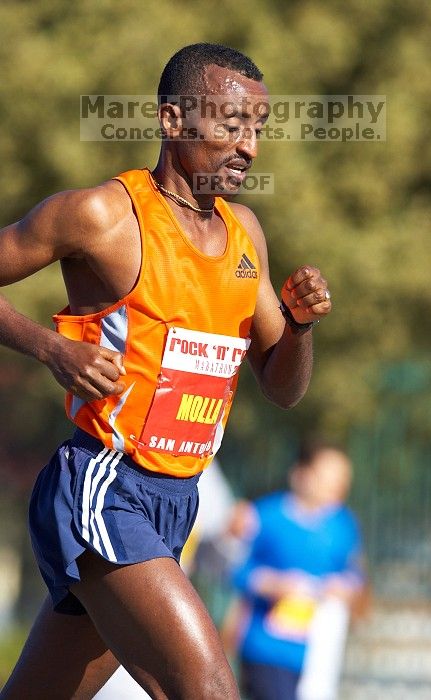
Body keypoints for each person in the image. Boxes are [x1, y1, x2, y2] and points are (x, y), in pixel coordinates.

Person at [0, 43, 332, 699]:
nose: (249, 148)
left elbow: (283, 388)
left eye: (258, 129)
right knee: (208, 688)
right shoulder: (102, 216)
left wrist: (296, 329)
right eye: (231, 125)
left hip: (177, 501)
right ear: (173, 121)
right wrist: (51, 348)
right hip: (102, 485)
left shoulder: (246, 236)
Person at [231, 440, 366, 700]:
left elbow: (355, 573)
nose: (334, 487)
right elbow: (235, 568)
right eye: (327, 477)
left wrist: (345, 587)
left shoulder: (344, 525)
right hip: (266, 647)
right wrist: (270, 584)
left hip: (317, 650)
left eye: (341, 480)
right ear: (301, 474)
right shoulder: (265, 515)